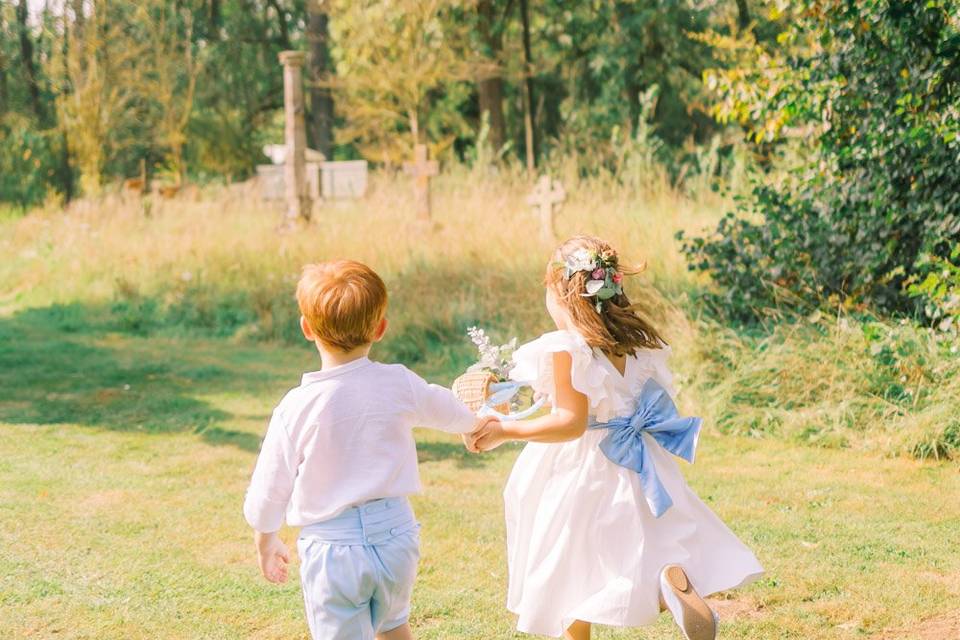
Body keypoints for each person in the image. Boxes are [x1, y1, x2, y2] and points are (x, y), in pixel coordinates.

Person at [468, 235, 764, 640]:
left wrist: (505, 430)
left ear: (564, 294)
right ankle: (666, 587)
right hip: (639, 465)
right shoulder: (636, 345)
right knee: (639, 549)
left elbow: (570, 423)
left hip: (579, 468)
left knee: (567, 571)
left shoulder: (567, 348)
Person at [243, 260, 494, 640]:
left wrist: (266, 541)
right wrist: (476, 423)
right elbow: (444, 408)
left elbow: (270, 487)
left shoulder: (297, 406)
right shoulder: (398, 382)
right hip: (397, 538)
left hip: (333, 549)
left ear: (306, 329)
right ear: (380, 329)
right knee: (394, 626)